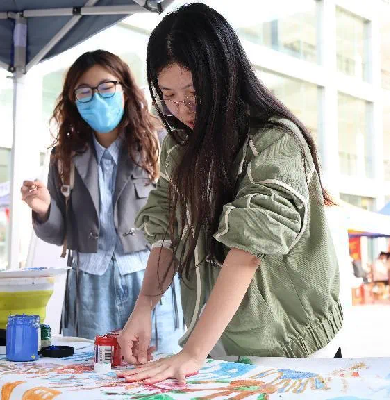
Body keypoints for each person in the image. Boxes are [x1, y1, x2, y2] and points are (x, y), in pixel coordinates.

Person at [117, 3, 343, 384]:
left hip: (292, 347)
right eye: (169, 95)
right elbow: (167, 232)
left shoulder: (275, 141)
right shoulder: (178, 147)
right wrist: (143, 308)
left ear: (225, 75)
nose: (182, 108)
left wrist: (192, 353)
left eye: (193, 92)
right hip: (221, 346)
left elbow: (247, 251)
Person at [21, 50, 183, 353]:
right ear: (74, 100)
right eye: (84, 91)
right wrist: (43, 209)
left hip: (150, 277)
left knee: (157, 366)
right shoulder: (63, 156)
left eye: (106, 87)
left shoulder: (159, 143)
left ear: (125, 89)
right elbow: (58, 233)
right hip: (89, 286)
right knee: (92, 367)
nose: (97, 98)